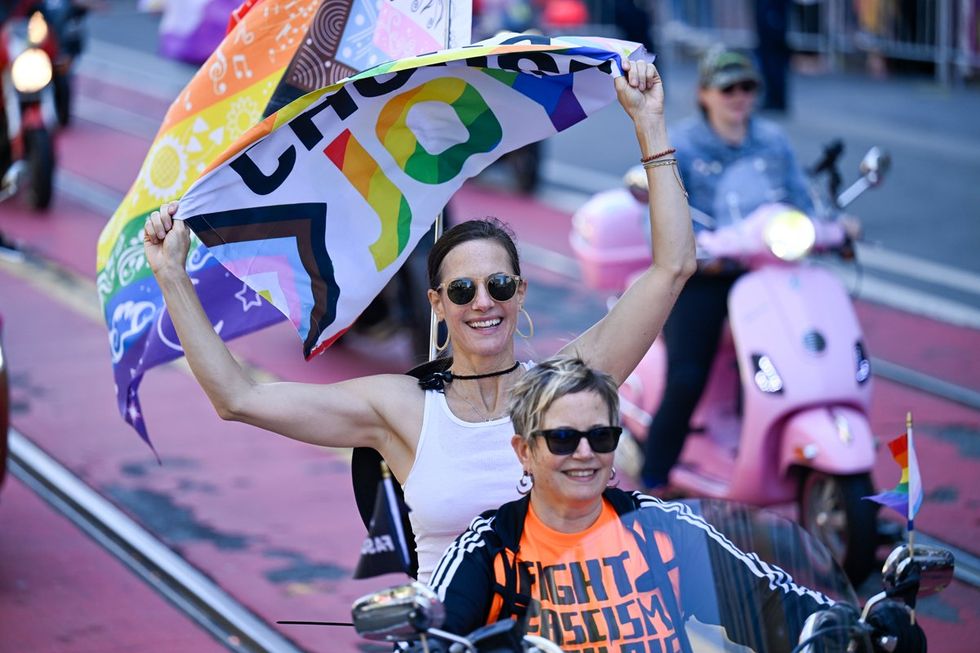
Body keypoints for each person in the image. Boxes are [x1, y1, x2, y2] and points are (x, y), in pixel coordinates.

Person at [143, 57, 697, 583]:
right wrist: (172, 276)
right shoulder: (400, 409)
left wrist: (649, 124)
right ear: (437, 303)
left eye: (499, 285)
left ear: (520, 292)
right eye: (462, 290)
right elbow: (237, 397)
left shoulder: (566, 387)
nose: (483, 302)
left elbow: (672, 269)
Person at [429, 356, 838, 652]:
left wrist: (849, 627)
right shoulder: (490, 550)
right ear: (524, 451)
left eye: (601, 436)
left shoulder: (660, 526)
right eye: (563, 438)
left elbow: (767, 599)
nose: (585, 453)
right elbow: (432, 635)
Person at [640, 46, 814, 494]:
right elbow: (657, 217)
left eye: (747, 87)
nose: (739, 96)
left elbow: (801, 201)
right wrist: (698, 251)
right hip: (706, 275)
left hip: (766, 273)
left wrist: (834, 227)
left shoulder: (773, 141)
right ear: (704, 94)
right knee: (687, 375)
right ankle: (654, 477)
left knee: (800, 358)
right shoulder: (681, 144)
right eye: (727, 88)